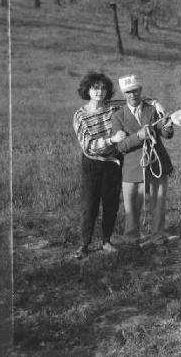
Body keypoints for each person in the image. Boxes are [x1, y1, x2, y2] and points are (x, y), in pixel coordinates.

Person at [112, 74, 174, 246]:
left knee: (158, 203)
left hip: (157, 164)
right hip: (132, 168)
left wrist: (168, 125)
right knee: (131, 207)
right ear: (124, 94)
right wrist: (138, 137)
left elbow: (167, 134)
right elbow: (120, 147)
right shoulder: (118, 117)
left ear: (140, 90)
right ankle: (132, 238)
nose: (133, 95)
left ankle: (158, 236)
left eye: (135, 91)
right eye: (128, 92)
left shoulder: (152, 109)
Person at [73, 72, 126, 259]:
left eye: (104, 88)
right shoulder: (80, 116)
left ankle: (106, 241)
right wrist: (111, 140)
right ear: (87, 90)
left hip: (113, 164)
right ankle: (84, 244)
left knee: (111, 204)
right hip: (92, 165)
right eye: (96, 88)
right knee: (89, 205)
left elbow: (137, 101)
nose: (100, 92)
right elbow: (87, 145)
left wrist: (155, 103)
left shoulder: (114, 107)